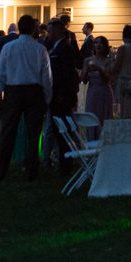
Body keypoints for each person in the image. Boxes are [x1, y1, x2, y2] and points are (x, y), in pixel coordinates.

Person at [0, 14, 51, 181]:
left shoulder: (8, 48)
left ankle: (0, 172)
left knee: (7, 132)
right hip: (34, 92)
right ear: (33, 29)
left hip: (13, 91)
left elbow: (0, 73)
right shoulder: (40, 49)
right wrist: (47, 97)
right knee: (34, 134)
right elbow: (46, 77)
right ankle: (32, 171)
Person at [45, 18, 81, 173]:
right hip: (57, 95)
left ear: (59, 30)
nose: (49, 33)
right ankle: (62, 161)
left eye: (51, 30)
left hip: (61, 96)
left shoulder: (64, 48)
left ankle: (65, 164)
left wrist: (62, 94)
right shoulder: (55, 47)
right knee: (57, 129)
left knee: (62, 130)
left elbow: (66, 74)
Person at [80, 36, 114, 126]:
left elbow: (108, 80)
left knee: (105, 117)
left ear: (105, 46)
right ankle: (92, 138)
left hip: (104, 92)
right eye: (96, 43)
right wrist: (86, 69)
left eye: (101, 43)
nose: (98, 45)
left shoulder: (109, 61)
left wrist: (99, 69)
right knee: (92, 117)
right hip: (92, 92)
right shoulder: (87, 60)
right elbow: (83, 80)